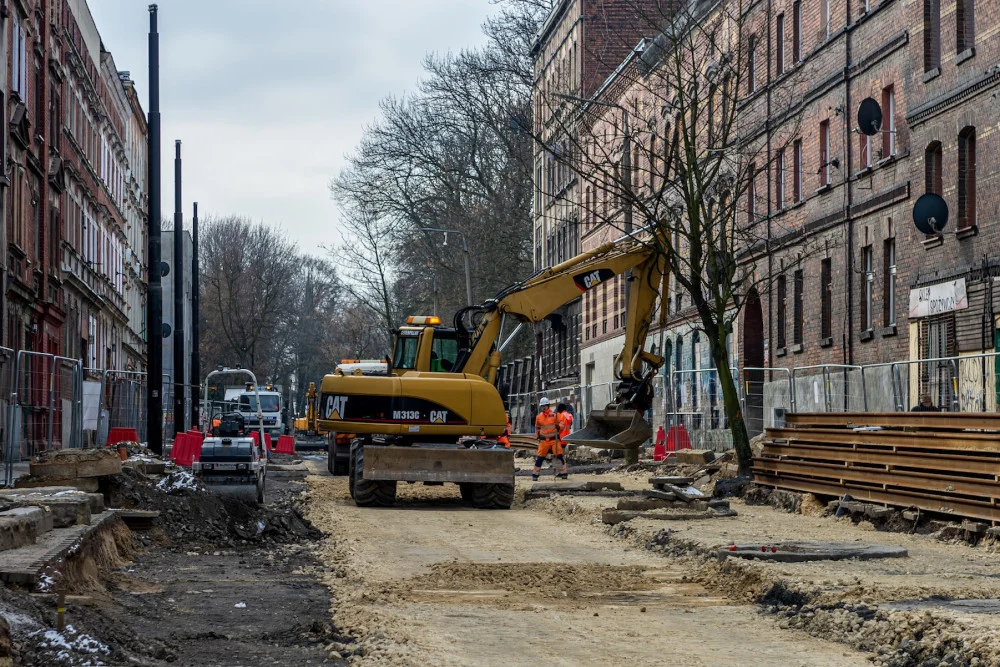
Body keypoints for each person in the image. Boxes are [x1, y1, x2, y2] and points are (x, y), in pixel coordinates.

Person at [533, 397, 567, 480]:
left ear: (548, 406)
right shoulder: (539, 417)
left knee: (559, 456)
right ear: (540, 407)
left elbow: (563, 424)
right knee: (540, 457)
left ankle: (563, 473)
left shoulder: (555, 416)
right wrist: (537, 436)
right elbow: (537, 427)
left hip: (554, 440)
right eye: (542, 406)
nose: (544, 407)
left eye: (545, 406)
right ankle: (535, 475)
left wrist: (559, 426)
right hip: (544, 440)